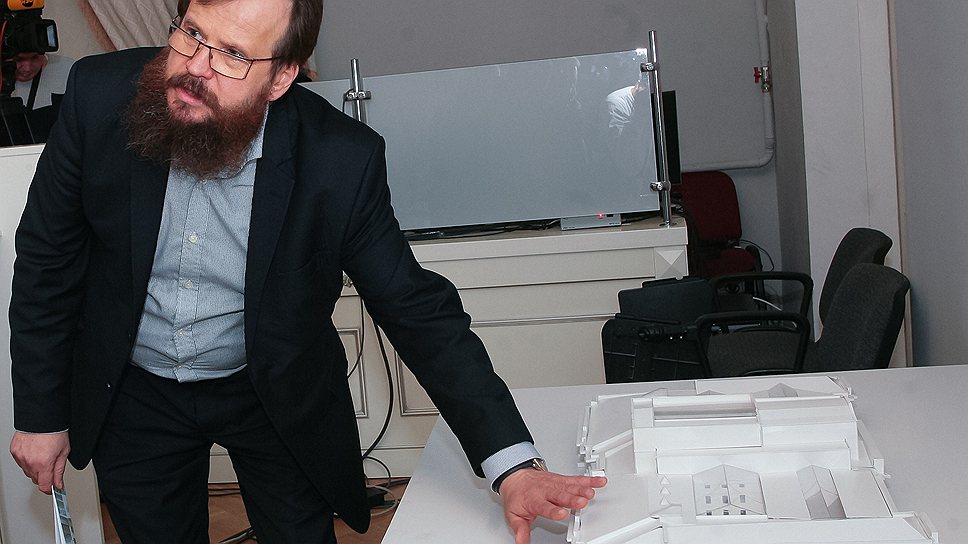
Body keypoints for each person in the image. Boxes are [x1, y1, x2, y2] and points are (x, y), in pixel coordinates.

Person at [7, 0, 605, 543]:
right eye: (192, 34)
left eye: (234, 55)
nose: (195, 68)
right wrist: (40, 415)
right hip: (134, 388)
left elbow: (415, 308)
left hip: (273, 391)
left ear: (281, 77)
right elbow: (46, 258)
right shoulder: (100, 94)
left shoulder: (339, 159)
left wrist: (512, 465)